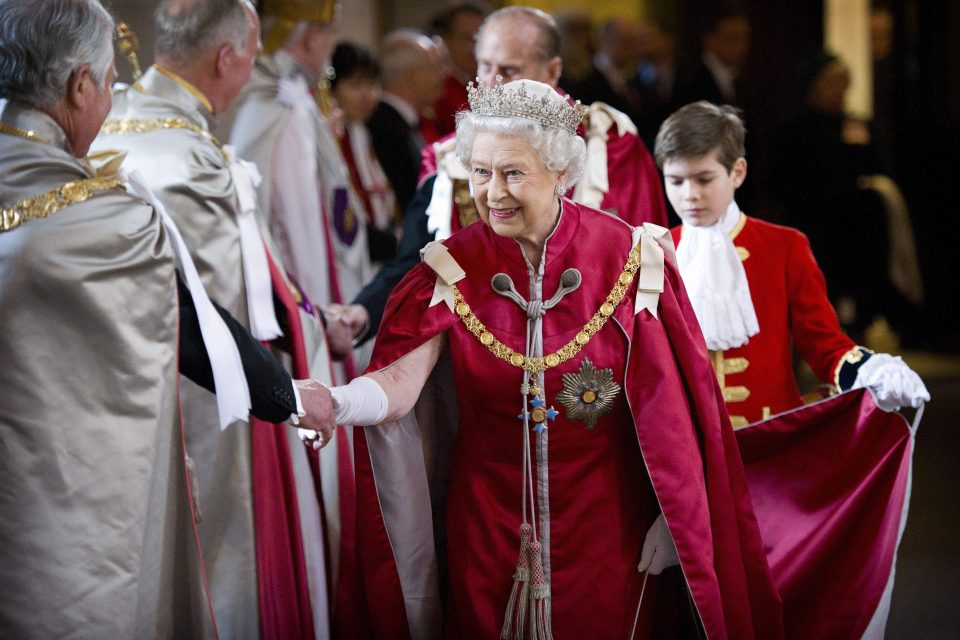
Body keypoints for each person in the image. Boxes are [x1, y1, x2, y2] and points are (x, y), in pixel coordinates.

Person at [304, 78, 785, 638]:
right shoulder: (448, 268)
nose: (493, 192)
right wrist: (334, 401)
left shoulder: (632, 259)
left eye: (512, 173)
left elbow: (671, 410)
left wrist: (674, 517)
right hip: (487, 524)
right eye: (479, 172)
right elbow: (398, 385)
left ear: (561, 173)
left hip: (609, 526)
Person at [0, 0, 334, 636]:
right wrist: (288, 393)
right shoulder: (104, 219)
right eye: (104, 84)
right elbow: (190, 326)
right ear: (77, 86)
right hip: (53, 499)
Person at [339, 5, 668, 347]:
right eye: (484, 66)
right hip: (478, 356)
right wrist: (363, 312)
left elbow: (642, 274)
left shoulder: (612, 147)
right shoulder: (451, 158)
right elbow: (416, 261)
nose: (492, 83)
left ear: (553, 70)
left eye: (509, 69)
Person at [656, 100, 929, 427]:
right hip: (685, 450)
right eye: (676, 180)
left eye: (704, 179)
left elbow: (824, 344)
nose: (689, 195)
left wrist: (873, 369)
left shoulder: (784, 247)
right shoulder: (653, 252)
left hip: (771, 443)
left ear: (737, 172)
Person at [219, 0, 372, 346]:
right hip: (298, 303)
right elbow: (298, 230)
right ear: (312, 37)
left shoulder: (279, 97)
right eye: (329, 34)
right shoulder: (285, 106)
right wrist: (314, 322)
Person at [331, 41, 399, 264]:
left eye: (372, 84)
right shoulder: (331, 138)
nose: (367, 95)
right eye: (354, 85)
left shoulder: (370, 132)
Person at [366, 30, 445, 215]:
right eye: (435, 67)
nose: (443, 76)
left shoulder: (402, 123)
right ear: (413, 76)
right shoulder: (384, 130)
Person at [428, 2, 489, 138]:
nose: (474, 48)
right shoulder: (433, 86)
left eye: (480, 39)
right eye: (466, 38)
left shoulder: (488, 84)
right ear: (446, 39)